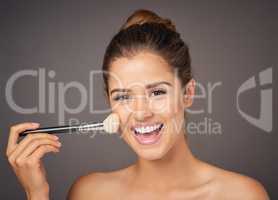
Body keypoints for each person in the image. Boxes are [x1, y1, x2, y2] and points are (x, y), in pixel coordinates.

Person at [6, 9, 269, 200]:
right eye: (122, 96)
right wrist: (36, 194)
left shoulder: (242, 194)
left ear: (188, 94)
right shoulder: (89, 193)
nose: (141, 113)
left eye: (157, 92)